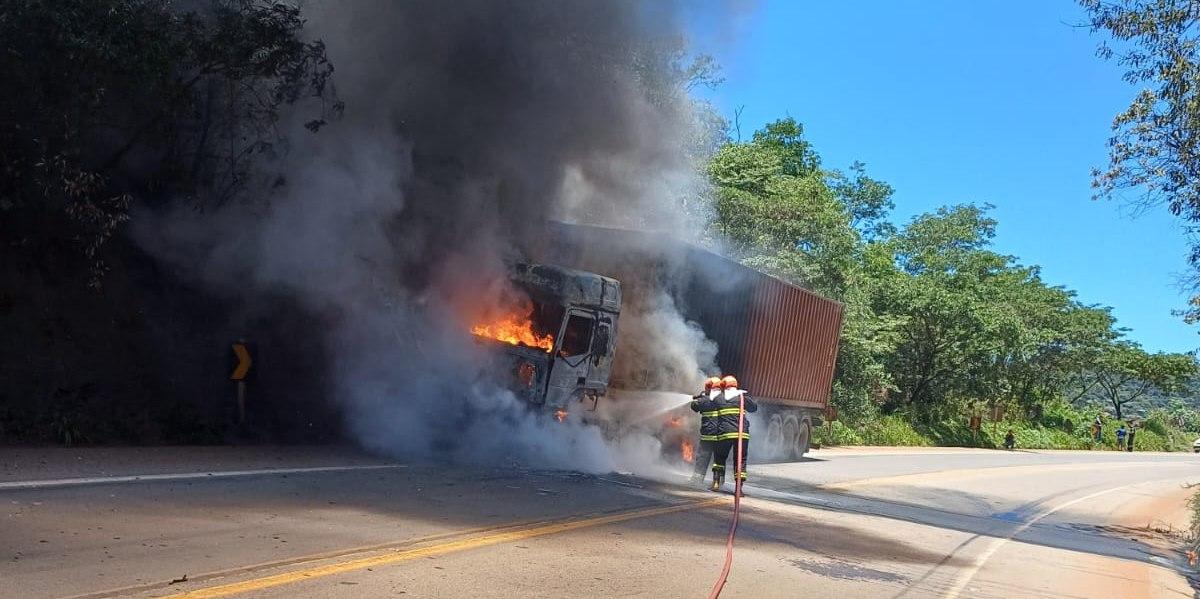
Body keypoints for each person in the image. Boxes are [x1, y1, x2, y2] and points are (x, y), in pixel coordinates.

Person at [704, 375, 758, 494]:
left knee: (719, 457)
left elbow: (707, 405)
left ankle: (716, 483)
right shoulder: (742, 397)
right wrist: (748, 398)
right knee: (740, 460)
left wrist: (704, 396)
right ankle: (739, 488)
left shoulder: (719, 398)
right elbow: (754, 408)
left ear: (723, 387)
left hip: (724, 434)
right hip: (741, 434)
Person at [689, 376, 723, 485]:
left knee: (703, 456)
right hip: (722, 435)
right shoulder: (725, 400)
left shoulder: (706, 400)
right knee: (719, 460)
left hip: (708, 434)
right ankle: (718, 482)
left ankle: (697, 480)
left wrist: (701, 396)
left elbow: (694, 405)